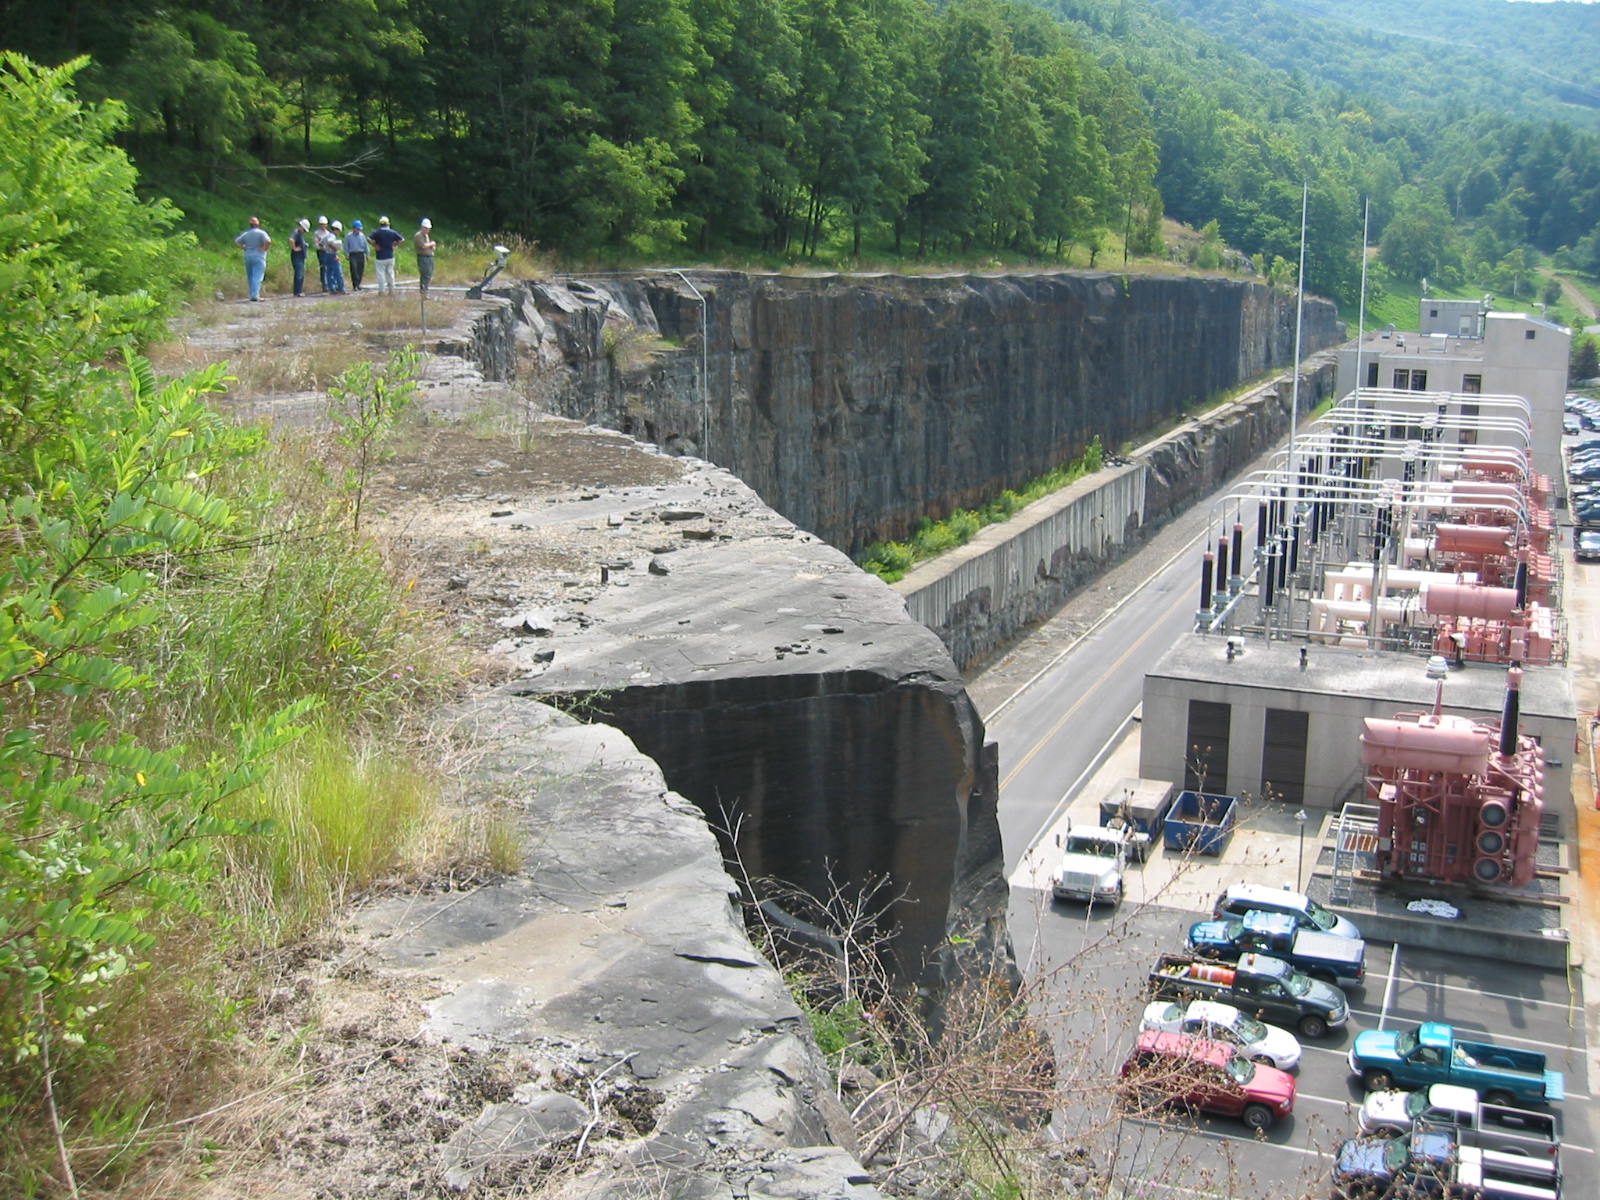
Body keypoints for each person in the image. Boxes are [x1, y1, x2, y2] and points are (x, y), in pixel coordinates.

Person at [233, 216, 271, 302]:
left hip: (248, 256)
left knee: (250, 276)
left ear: (250, 225)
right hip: (259, 256)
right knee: (257, 276)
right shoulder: (262, 233)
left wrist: (244, 247)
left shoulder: (246, 234)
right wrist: (264, 248)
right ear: (258, 224)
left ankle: (252, 294)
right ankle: (255, 295)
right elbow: (268, 241)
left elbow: (236, 242)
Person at [370, 215, 403, 294]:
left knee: (381, 274)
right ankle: (391, 290)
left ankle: (381, 290)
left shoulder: (377, 232)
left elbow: (369, 238)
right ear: (388, 224)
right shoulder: (392, 232)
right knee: (390, 273)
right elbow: (402, 239)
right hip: (390, 256)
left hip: (380, 257)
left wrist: (375, 245)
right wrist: (395, 244)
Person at [344, 219, 369, 291]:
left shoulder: (362, 236)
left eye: (359, 229)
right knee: (354, 270)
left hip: (361, 254)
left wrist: (367, 254)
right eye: (357, 228)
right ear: (354, 228)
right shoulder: (349, 236)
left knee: (360, 270)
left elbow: (365, 245)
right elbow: (346, 246)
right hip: (353, 254)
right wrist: (346, 254)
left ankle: (358, 284)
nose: (358, 230)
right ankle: (355, 285)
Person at [288, 218, 310, 297]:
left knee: (300, 273)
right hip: (297, 257)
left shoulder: (299, 234)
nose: (304, 231)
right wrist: (294, 248)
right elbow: (291, 240)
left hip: (300, 257)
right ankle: (298, 292)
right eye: (304, 230)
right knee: (299, 274)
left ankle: (298, 291)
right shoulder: (296, 232)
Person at [414, 218, 436, 294]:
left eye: (428, 229)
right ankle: (423, 291)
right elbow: (423, 246)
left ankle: (425, 289)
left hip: (429, 257)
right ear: (422, 227)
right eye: (426, 228)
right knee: (425, 274)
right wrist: (432, 244)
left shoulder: (426, 236)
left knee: (429, 274)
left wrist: (432, 246)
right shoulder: (418, 235)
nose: (427, 230)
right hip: (423, 258)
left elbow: (428, 246)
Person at [314, 216, 335, 292]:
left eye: (324, 224)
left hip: (328, 251)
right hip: (321, 252)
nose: (323, 226)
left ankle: (330, 284)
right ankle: (324, 285)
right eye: (321, 224)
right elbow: (316, 244)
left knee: (330, 268)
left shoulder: (328, 233)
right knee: (323, 268)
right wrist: (322, 248)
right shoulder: (317, 233)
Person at [328, 220, 347, 293]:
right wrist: (336, 248)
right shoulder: (332, 236)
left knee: (330, 273)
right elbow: (330, 242)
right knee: (338, 272)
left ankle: (332, 288)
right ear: (336, 229)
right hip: (333, 255)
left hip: (327, 255)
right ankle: (341, 288)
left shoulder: (328, 234)